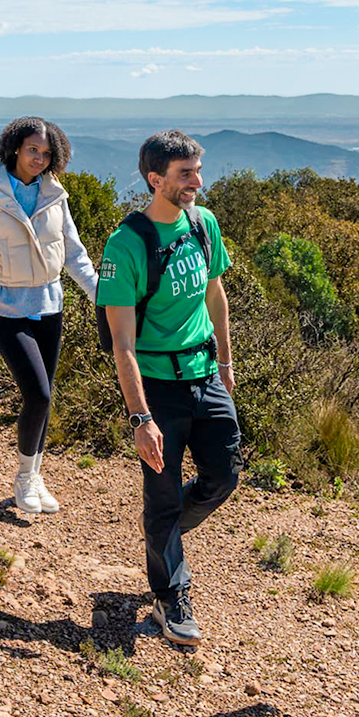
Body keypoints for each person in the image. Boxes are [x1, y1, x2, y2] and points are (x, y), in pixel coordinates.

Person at [97, 130, 237, 647]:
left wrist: (225, 361)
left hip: (205, 374)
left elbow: (215, 293)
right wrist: (141, 418)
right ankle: (169, 594)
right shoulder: (126, 243)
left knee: (224, 476)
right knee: (160, 493)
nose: (197, 182)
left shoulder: (204, 224)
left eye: (198, 171)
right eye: (185, 174)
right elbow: (122, 343)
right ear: (156, 180)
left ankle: (163, 531)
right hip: (157, 386)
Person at [0, 117, 99, 515]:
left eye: (47, 154)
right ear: (15, 147)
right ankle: (24, 479)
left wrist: (102, 296)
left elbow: (74, 253)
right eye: (33, 150)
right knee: (38, 393)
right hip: (6, 308)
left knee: (44, 399)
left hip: (50, 305)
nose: (39, 159)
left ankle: (35, 474)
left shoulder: (54, 194)